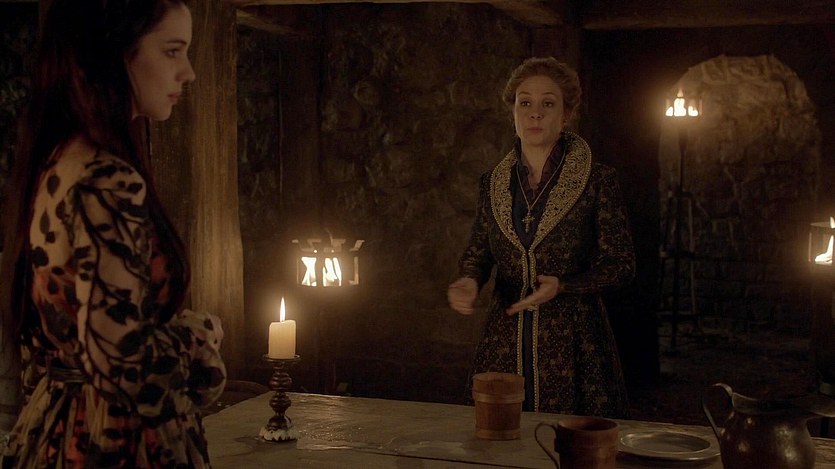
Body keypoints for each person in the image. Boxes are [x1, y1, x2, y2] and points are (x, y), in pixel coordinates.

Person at [0, 0, 227, 467]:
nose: (188, 73)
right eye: (172, 51)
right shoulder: (106, 179)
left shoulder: (59, 160)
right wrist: (197, 340)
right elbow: (121, 363)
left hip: (63, 426)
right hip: (112, 443)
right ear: (115, 53)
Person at [447, 57, 635, 418]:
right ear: (513, 112)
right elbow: (478, 252)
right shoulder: (493, 183)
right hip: (505, 339)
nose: (535, 113)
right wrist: (469, 280)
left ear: (566, 115)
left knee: (570, 440)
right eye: (525, 103)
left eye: (548, 103)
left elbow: (621, 265)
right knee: (499, 433)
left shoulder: (597, 181)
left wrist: (564, 286)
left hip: (575, 343)